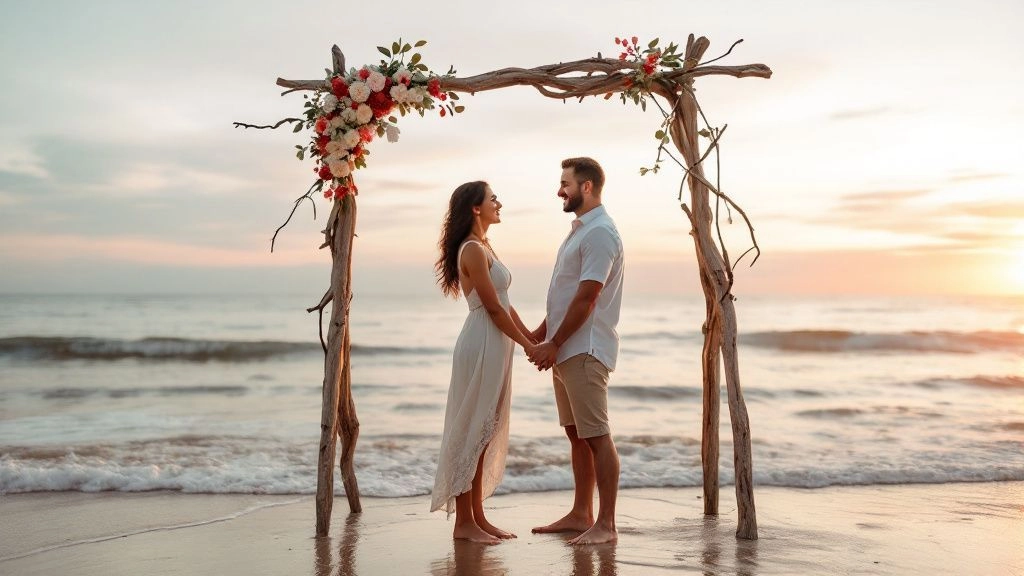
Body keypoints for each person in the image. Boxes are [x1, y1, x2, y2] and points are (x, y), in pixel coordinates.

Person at [430, 180, 538, 545]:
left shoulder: (486, 246)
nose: (499, 203)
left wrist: (531, 337)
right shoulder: (473, 250)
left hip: (497, 340)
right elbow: (492, 308)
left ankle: (477, 517)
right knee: (474, 427)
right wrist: (527, 346)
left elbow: (505, 302)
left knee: (486, 429)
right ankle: (463, 524)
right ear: (476, 208)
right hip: (483, 342)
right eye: (493, 199)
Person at [528, 157, 624, 546]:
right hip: (567, 347)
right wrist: (540, 333)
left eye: (565, 183)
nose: (559, 190)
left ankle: (607, 524)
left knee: (597, 435)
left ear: (586, 187)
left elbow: (588, 297)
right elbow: (567, 295)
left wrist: (554, 341)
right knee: (576, 435)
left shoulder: (600, 233)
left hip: (584, 348)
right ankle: (581, 513)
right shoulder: (580, 231)